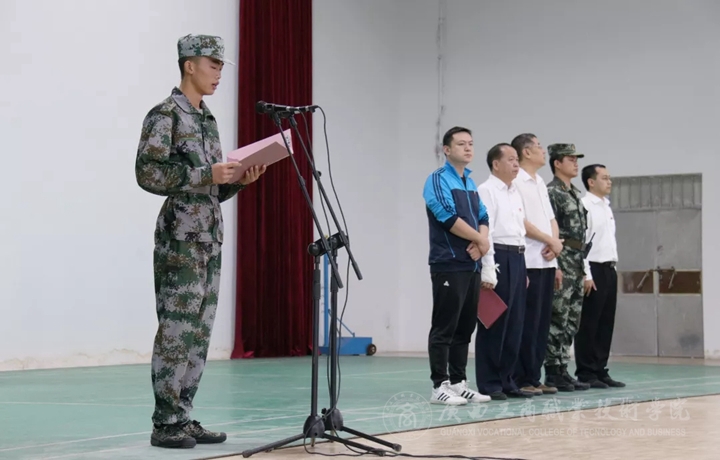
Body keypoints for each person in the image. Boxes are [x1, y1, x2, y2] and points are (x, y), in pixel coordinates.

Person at [135, 34, 267, 449]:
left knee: (199, 333)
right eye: (213, 64)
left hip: (209, 238)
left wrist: (238, 180)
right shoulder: (165, 115)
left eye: (222, 66)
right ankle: (165, 422)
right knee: (177, 331)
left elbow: (208, 188)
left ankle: (183, 415)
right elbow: (147, 173)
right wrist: (206, 174)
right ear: (189, 65)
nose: (219, 73)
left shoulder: (207, 120)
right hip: (179, 239)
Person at [423, 126, 492, 405]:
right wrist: (480, 240)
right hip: (448, 263)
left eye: (470, 143)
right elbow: (446, 216)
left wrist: (481, 242)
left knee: (465, 327)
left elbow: (483, 216)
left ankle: (458, 382)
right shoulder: (437, 179)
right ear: (447, 149)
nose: (468, 148)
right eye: (461, 144)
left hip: (472, 264)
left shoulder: (470, 183)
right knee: (445, 326)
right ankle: (438, 386)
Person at [476, 143, 532, 400]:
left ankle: (507, 380)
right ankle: (489, 382)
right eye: (510, 159)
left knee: (516, 323)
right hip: (498, 255)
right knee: (495, 322)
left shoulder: (515, 192)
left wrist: (524, 269)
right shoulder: (486, 190)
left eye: (517, 159)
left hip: (518, 257)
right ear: (496, 164)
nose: (516, 163)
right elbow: (487, 231)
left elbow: (520, 233)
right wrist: (488, 266)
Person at [510, 134, 563, 396]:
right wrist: (549, 240)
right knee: (526, 322)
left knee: (542, 323)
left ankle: (533, 375)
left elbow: (550, 218)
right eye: (539, 146)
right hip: (528, 260)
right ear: (526, 152)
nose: (543, 151)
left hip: (547, 260)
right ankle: (520, 377)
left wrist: (555, 245)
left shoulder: (540, 181)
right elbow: (521, 222)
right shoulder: (516, 181)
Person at [544, 143, 591, 392]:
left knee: (572, 318)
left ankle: (563, 367)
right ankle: (552, 371)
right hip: (562, 259)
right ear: (557, 163)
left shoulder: (573, 192)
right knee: (557, 317)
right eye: (570, 159)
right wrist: (555, 265)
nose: (575, 163)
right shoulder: (552, 192)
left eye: (576, 159)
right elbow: (550, 231)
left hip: (576, 260)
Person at [574, 164, 626, 388]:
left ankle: (600, 369)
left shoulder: (606, 205)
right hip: (592, 269)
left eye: (609, 177)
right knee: (589, 322)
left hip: (608, 268)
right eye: (604, 178)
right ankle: (586, 372)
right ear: (591, 182)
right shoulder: (585, 205)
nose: (609, 181)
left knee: (606, 322)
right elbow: (582, 242)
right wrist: (585, 273)